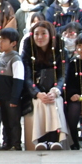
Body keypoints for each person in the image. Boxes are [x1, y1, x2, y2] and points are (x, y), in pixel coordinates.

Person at [22, 21, 67, 150]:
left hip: (55, 90)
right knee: (40, 102)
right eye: (36, 34)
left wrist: (56, 90)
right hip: (34, 91)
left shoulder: (61, 52)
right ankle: (41, 140)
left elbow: (63, 75)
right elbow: (27, 77)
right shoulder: (28, 52)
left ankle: (54, 140)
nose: (40, 37)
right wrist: (36, 93)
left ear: (51, 35)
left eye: (43, 33)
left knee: (55, 101)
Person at [0, 27, 25, 151]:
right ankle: (7, 142)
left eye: (4, 40)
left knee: (14, 122)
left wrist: (14, 98)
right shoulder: (0, 58)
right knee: (5, 121)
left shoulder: (15, 59)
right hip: (2, 96)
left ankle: (16, 143)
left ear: (13, 43)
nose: (0, 43)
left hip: (11, 97)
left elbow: (18, 80)